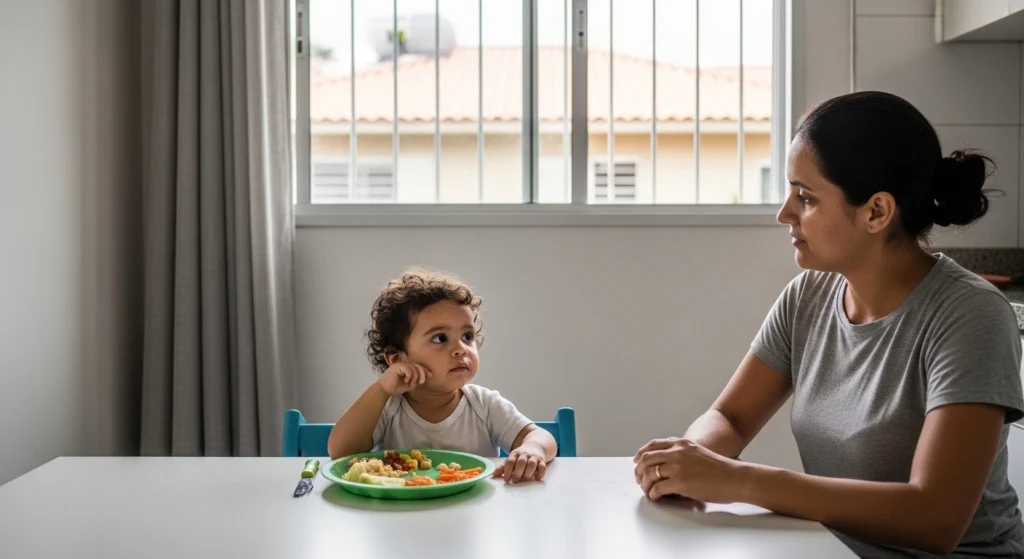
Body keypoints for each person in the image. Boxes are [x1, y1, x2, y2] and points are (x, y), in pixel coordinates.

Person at [633, 91, 1024, 557]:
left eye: (805, 197)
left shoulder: (970, 315)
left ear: (876, 212)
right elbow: (730, 418)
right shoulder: (808, 296)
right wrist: (688, 463)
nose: (784, 214)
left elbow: (935, 518)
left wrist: (738, 480)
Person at [327, 268, 557, 484]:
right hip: (403, 509)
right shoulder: (388, 407)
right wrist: (381, 389)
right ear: (397, 359)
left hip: (474, 506)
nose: (461, 349)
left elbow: (540, 436)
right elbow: (341, 452)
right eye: (440, 338)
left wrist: (533, 448)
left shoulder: (484, 405)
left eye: (467, 337)